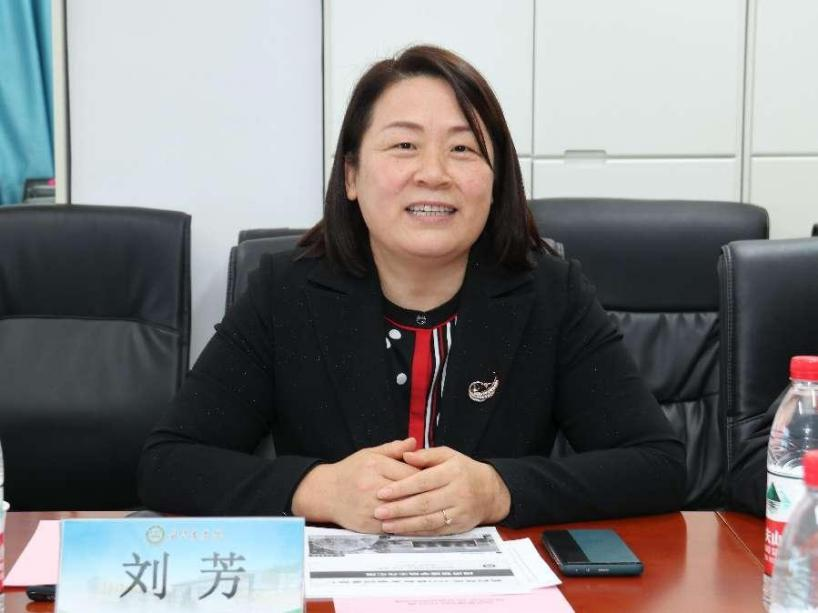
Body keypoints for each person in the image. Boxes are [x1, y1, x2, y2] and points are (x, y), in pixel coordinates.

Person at [139, 45, 685, 534]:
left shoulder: (550, 294)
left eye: (463, 149)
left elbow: (657, 465)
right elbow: (169, 462)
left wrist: (498, 490)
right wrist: (319, 489)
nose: (434, 173)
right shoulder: (286, 293)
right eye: (404, 145)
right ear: (351, 176)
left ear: (496, 181)